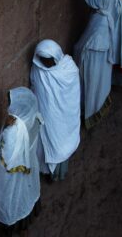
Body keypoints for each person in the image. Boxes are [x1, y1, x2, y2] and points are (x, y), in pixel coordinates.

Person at [0, 87, 42, 236]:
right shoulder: (34, 118)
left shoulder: (13, 131)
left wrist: (6, 128)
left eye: (10, 103)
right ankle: (24, 228)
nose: (8, 107)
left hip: (11, 179)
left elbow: (4, 154)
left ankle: (11, 227)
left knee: (11, 200)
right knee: (24, 196)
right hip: (29, 170)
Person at [30, 39, 81, 181]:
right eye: (42, 60)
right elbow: (35, 88)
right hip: (48, 117)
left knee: (60, 144)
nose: (45, 63)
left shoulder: (69, 69)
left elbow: (72, 94)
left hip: (64, 117)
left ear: (56, 57)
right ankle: (49, 173)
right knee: (49, 143)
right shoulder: (38, 69)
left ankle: (59, 174)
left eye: (48, 60)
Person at [74, 0, 118, 129]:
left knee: (91, 86)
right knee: (100, 83)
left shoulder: (100, 21)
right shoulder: (105, 13)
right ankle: (98, 105)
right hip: (101, 57)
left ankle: (89, 111)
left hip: (93, 60)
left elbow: (84, 44)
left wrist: (77, 49)